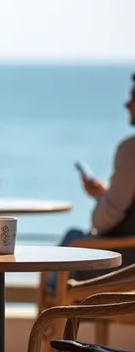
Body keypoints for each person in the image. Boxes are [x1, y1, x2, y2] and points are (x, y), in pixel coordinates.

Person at [55, 73, 135, 281]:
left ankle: (54, 306)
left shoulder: (131, 150)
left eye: (133, 97)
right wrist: (105, 195)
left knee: (72, 240)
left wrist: (102, 200)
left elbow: (104, 221)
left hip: (123, 266)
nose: (127, 104)